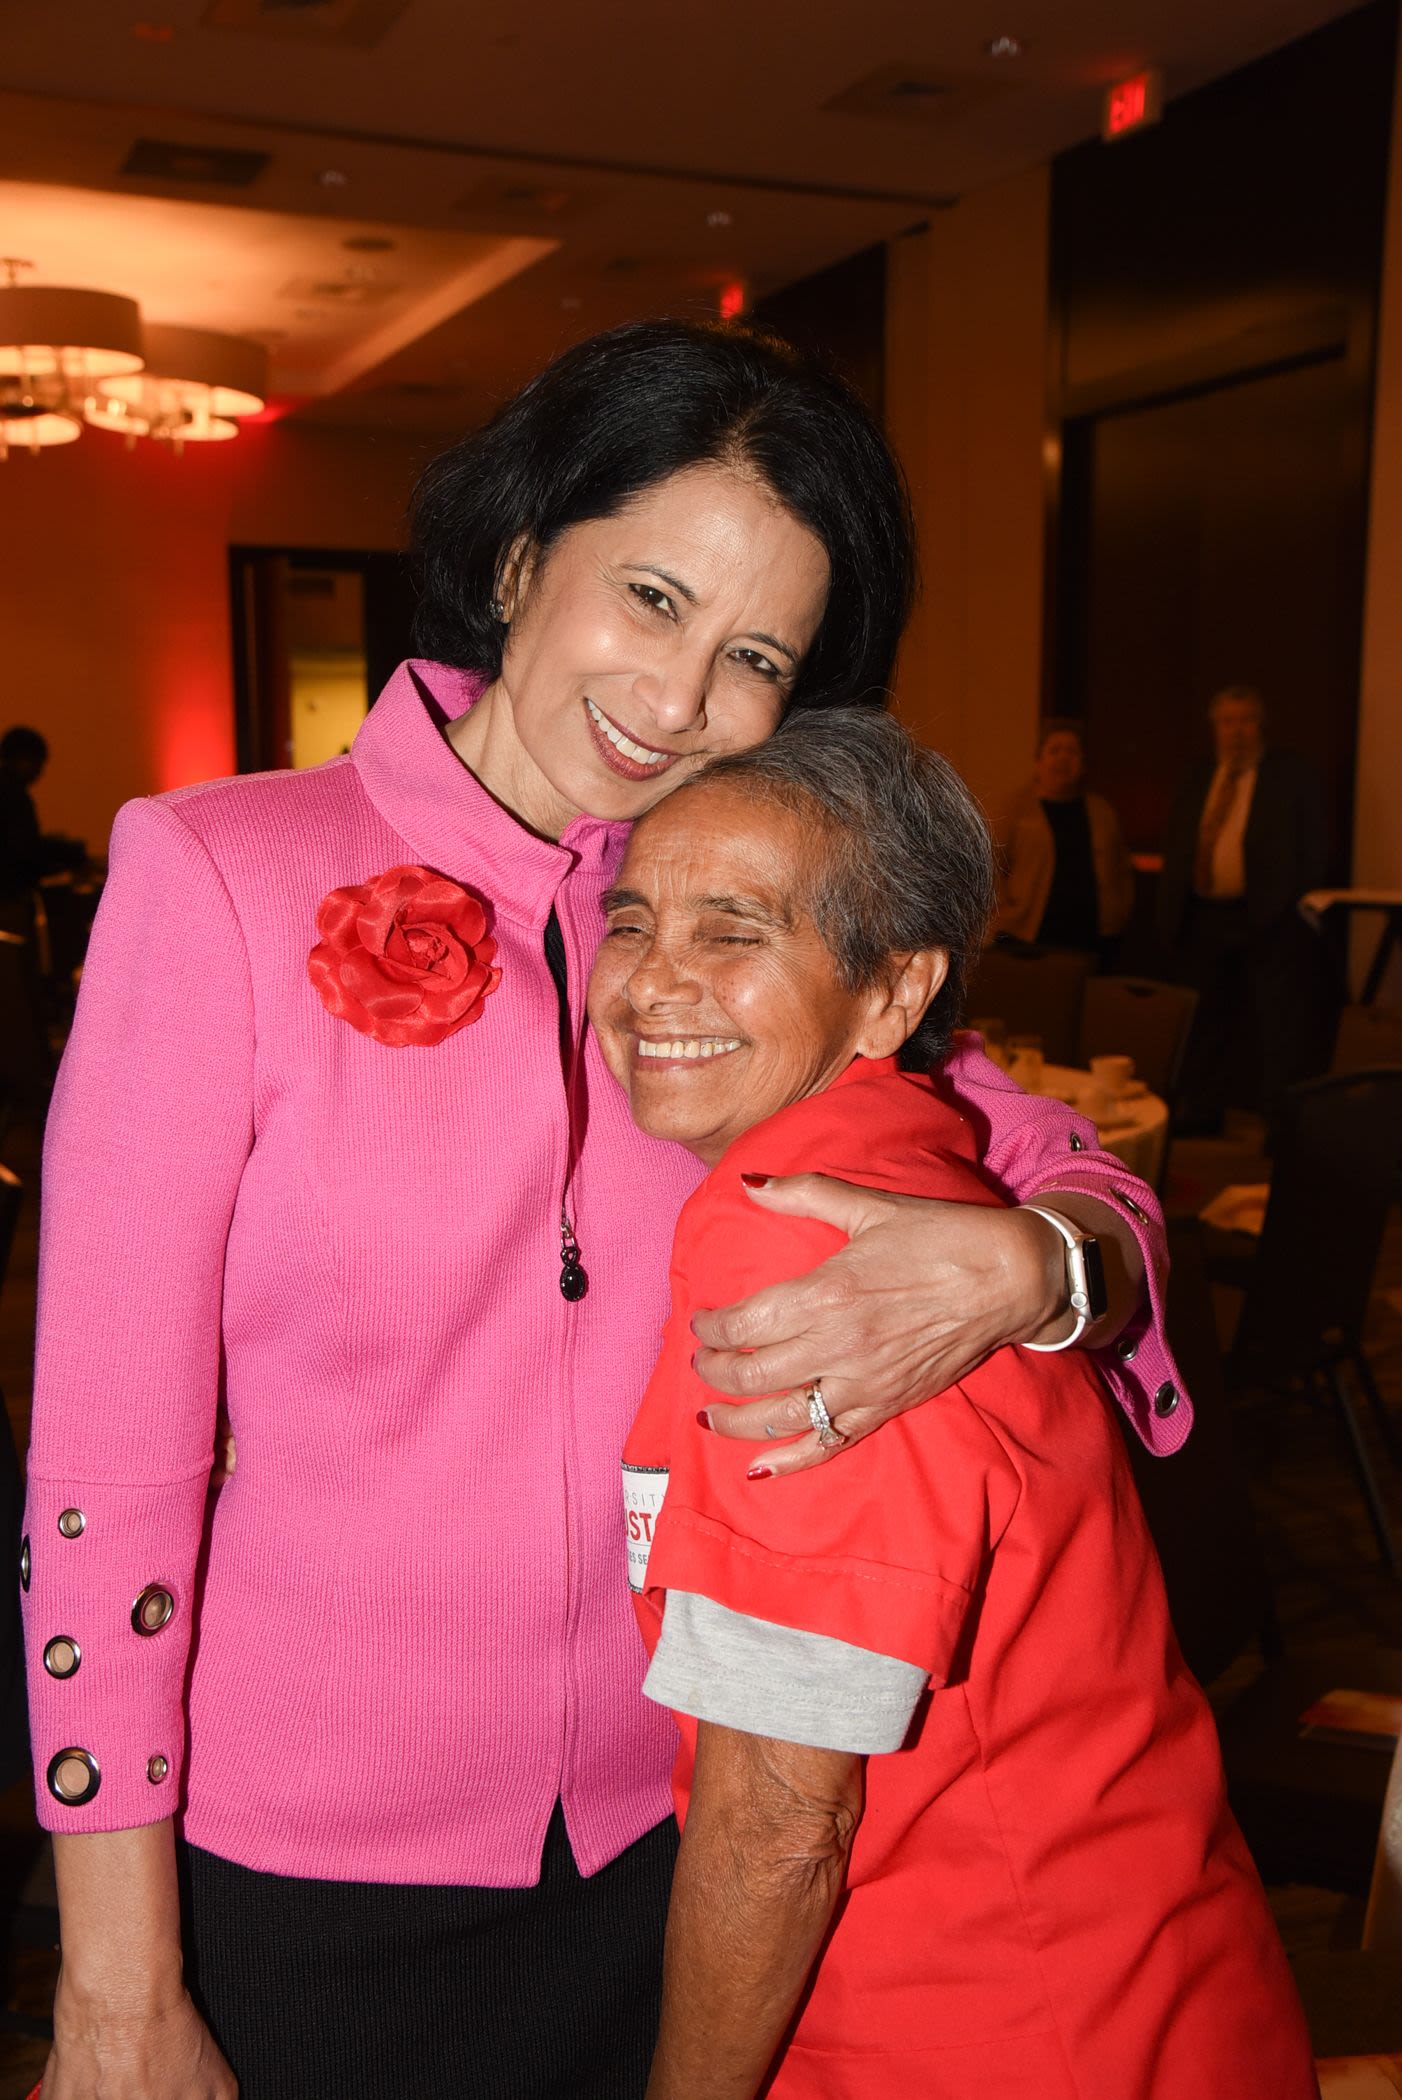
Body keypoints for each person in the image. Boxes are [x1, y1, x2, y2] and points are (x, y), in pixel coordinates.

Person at [25, 321, 1184, 2100]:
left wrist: (1039, 1261)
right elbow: (105, 1468)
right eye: (646, 598)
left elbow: (1057, 1164)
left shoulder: (728, 927)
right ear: (512, 562)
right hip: (303, 1869)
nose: (678, 698)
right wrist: (115, 1987)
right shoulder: (218, 875)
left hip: (672, 1846)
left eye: (752, 660)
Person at [598, 710, 1316, 2100]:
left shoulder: (801, 1237)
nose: (650, 983)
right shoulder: (907, 1157)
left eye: (732, 933)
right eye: (633, 924)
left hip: (985, 2020)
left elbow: (774, 1820)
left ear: (890, 994)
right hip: (1135, 1969)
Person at [1159, 683, 1333, 1128]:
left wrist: (1290, 907)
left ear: (1261, 726)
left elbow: (1314, 847)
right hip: (1202, 916)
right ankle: (1202, 1113)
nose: (1236, 732)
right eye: (1227, 722)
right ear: (1214, 727)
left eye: (1246, 721)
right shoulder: (1200, 774)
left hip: (1267, 919)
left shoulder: (1289, 777)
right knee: (1205, 1023)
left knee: (1276, 1027)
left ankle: (1279, 1123)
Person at [996, 716, 1133, 956]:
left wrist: (1119, 912)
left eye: (1072, 751)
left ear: (1083, 763)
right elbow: (992, 865)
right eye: (1055, 750)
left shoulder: (1102, 811)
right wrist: (1006, 913)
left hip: (1092, 938)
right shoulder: (1015, 809)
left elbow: (1121, 868)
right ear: (1039, 761)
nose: (1063, 758)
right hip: (1027, 936)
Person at [0, 726, 86, 933]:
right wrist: (64, 856)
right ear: (24, 759)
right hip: (9, 898)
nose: (40, 771)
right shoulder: (14, 796)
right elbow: (23, 849)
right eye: (38, 763)